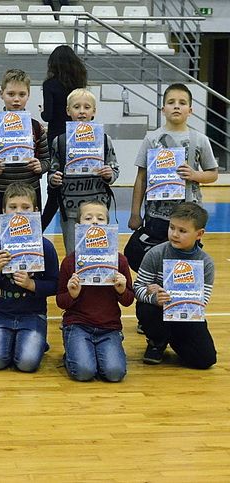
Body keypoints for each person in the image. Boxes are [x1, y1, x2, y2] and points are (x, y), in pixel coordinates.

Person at [0, 182, 59, 372]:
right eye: (12, 207)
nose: (18, 212)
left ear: (36, 211)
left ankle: (37, 339)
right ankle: (23, 340)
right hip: (1, 315)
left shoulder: (45, 246)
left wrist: (32, 285)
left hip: (33, 315)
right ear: (3, 211)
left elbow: (56, 285)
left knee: (27, 364)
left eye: (25, 207)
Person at [128, 83, 218, 255]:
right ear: (163, 109)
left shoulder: (200, 139)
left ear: (190, 110)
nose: (176, 106)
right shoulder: (151, 138)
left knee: (184, 260)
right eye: (171, 102)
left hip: (189, 215)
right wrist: (135, 214)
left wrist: (195, 174)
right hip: (156, 215)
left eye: (182, 103)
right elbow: (141, 178)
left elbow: (213, 174)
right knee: (154, 257)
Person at [56, 200, 134, 382]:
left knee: (115, 373)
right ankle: (72, 350)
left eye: (100, 218)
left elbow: (128, 300)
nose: (94, 222)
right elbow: (60, 301)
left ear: (108, 225)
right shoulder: (70, 262)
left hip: (109, 328)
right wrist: (72, 295)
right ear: (78, 225)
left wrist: (121, 290)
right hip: (78, 325)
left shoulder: (119, 261)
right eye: (88, 218)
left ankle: (95, 351)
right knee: (84, 372)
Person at [134, 202, 216, 369]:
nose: (175, 234)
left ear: (199, 234)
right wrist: (154, 297)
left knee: (205, 360)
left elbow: (203, 300)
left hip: (186, 314)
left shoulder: (206, 262)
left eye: (182, 231)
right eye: (172, 227)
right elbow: (138, 287)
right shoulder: (155, 253)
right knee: (146, 309)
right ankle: (157, 342)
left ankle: (174, 337)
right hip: (157, 311)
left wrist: (175, 297)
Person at [0, 69, 50, 238]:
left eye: (22, 94)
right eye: (11, 94)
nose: (16, 99)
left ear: (28, 95)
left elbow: (47, 160)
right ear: (1, 94)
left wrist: (40, 166)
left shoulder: (37, 128)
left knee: (30, 241)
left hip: (30, 194)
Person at [46, 88, 118, 255]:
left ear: (94, 111)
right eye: (76, 107)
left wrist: (109, 174)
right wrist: (53, 179)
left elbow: (114, 169)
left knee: (99, 253)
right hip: (71, 209)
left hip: (98, 209)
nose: (82, 111)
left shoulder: (104, 139)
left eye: (87, 107)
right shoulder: (60, 141)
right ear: (68, 111)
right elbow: (52, 170)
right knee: (73, 255)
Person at [39, 45, 88, 229]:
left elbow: (48, 115)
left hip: (56, 139)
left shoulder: (49, 85)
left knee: (54, 188)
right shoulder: (79, 84)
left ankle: (39, 229)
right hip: (78, 136)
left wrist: (42, 111)